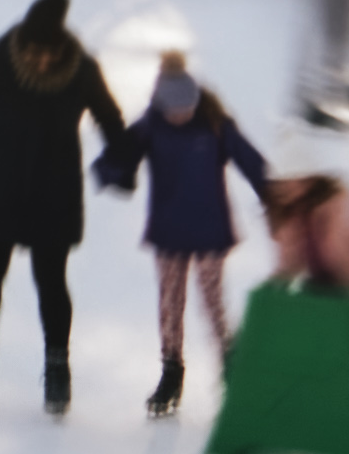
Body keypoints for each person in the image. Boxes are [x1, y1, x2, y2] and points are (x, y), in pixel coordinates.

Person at [0, 0, 134, 412]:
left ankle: (57, 364)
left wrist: (122, 165)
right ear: (22, 42)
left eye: (52, 54)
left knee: (51, 282)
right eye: (35, 53)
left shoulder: (80, 68)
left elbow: (110, 118)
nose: (43, 60)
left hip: (55, 190)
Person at [109, 24, 265, 411]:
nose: (181, 115)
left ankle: (232, 366)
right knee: (170, 301)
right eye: (174, 109)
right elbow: (120, 155)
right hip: (169, 230)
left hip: (210, 229)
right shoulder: (151, 125)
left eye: (186, 107)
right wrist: (112, 173)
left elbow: (250, 161)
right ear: (162, 104)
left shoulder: (215, 125)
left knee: (212, 300)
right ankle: (171, 371)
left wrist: (273, 197)